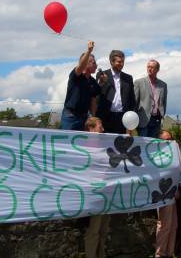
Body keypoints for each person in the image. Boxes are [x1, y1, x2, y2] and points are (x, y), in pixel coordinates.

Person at [83, 117, 110, 258]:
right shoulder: (83, 148)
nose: (103, 129)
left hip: (106, 193)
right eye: (100, 126)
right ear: (91, 129)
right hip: (93, 195)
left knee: (103, 230)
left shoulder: (103, 147)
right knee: (93, 231)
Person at [60, 41, 99, 131]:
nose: (96, 66)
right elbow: (80, 67)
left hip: (85, 118)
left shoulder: (93, 82)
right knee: (66, 141)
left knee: (82, 144)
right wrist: (89, 51)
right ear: (86, 64)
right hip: (70, 116)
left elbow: (93, 101)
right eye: (94, 63)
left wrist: (93, 117)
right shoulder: (76, 75)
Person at [96, 50, 136, 134]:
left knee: (120, 144)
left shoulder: (128, 78)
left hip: (122, 117)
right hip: (106, 117)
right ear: (111, 61)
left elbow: (132, 100)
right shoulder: (102, 75)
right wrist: (101, 83)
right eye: (119, 62)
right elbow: (96, 95)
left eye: (123, 62)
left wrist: (130, 121)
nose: (121, 64)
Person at [155, 130, 178, 258]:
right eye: (166, 140)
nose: (170, 141)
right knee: (164, 225)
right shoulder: (158, 155)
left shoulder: (172, 153)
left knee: (173, 225)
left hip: (172, 192)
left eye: (171, 139)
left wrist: (176, 190)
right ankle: (160, 254)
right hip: (162, 193)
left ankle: (169, 253)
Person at [134, 59, 167, 138]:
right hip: (143, 119)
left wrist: (162, 115)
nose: (149, 69)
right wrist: (134, 119)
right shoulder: (139, 82)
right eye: (148, 67)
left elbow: (164, 102)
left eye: (152, 67)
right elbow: (135, 102)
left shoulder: (163, 85)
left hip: (156, 120)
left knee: (153, 145)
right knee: (143, 143)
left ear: (157, 69)